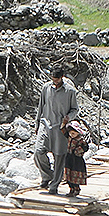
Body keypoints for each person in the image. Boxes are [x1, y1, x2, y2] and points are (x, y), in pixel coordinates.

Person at [34, 66, 79, 195]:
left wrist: (68, 118)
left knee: (59, 157)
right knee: (38, 152)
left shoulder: (70, 91)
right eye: (53, 79)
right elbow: (40, 106)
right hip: (45, 124)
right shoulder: (46, 88)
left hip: (60, 128)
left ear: (62, 78)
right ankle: (48, 175)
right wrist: (37, 123)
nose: (54, 81)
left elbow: (75, 109)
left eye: (57, 79)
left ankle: (54, 185)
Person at [63, 120, 89, 197]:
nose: (71, 135)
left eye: (73, 133)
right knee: (68, 175)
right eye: (70, 133)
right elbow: (63, 131)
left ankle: (76, 189)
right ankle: (71, 189)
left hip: (77, 160)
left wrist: (78, 151)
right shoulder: (69, 137)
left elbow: (85, 147)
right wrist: (64, 123)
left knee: (75, 175)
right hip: (69, 158)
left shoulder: (81, 140)